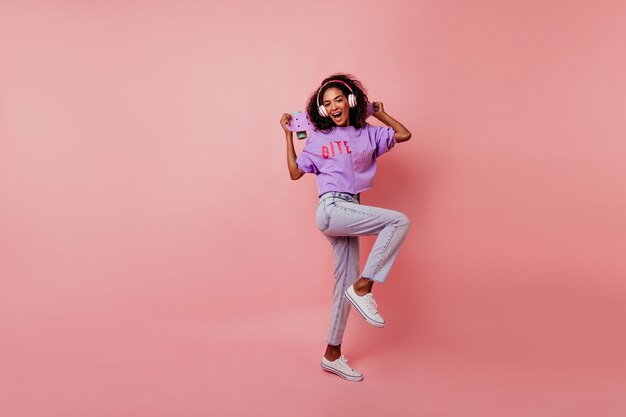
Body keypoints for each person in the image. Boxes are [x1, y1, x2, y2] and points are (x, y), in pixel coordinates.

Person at [279, 73, 412, 382]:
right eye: (327, 104)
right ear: (322, 111)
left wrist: (377, 112)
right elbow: (295, 173)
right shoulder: (320, 138)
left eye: (339, 99)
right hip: (332, 208)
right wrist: (287, 135)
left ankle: (332, 354)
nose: (334, 106)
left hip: (348, 209)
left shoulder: (368, 133)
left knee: (343, 286)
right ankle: (364, 287)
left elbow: (403, 134)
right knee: (398, 221)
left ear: (351, 101)